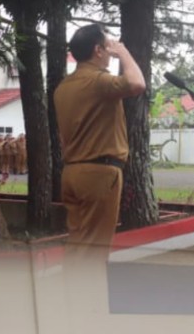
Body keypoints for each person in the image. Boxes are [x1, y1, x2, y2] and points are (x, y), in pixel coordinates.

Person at [53, 24, 145, 246]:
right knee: (94, 250)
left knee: (79, 245)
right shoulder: (98, 80)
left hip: (72, 172)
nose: (111, 55)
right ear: (98, 50)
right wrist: (123, 52)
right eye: (108, 47)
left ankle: (73, 282)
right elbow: (136, 83)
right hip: (99, 173)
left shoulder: (63, 87)